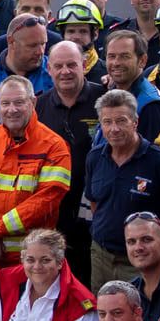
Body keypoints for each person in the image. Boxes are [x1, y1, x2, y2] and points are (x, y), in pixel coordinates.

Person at [0, 78, 72, 268]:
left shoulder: (54, 146)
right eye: (5, 103)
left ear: (33, 102)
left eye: (19, 102)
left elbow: (44, 202)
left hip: (32, 261)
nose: (12, 109)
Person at [84, 90, 160, 289]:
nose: (114, 129)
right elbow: (96, 204)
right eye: (107, 122)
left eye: (121, 121)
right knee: (103, 315)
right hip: (101, 257)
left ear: (135, 122)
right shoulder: (94, 158)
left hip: (141, 262)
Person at [35, 40, 103, 271]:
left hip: (94, 213)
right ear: (49, 69)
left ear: (84, 65)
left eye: (72, 65)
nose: (65, 72)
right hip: (53, 214)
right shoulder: (39, 107)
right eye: (59, 66)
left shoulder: (103, 99)